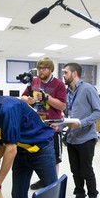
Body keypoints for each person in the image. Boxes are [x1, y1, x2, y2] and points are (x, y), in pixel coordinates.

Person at [62, 62, 100, 198]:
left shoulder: (87, 89)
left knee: (86, 170)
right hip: (72, 138)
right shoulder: (68, 92)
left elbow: (99, 111)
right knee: (75, 171)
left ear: (74, 74)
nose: (63, 75)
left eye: (65, 72)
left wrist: (81, 122)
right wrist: (60, 125)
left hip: (86, 138)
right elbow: (69, 114)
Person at [21, 57, 67, 190]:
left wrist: (47, 98)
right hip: (36, 127)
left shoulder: (59, 84)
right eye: (39, 68)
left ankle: (53, 185)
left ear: (51, 69)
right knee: (38, 156)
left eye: (44, 68)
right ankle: (43, 180)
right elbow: (22, 96)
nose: (41, 71)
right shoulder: (34, 82)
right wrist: (28, 99)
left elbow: (62, 106)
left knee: (54, 159)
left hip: (52, 127)